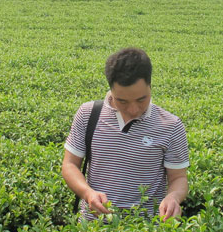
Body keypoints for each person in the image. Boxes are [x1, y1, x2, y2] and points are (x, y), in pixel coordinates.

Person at [62, 47, 189, 222]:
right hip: (93, 227)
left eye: (141, 99)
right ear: (111, 89)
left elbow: (178, 178)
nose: (133, 109)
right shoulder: (88, 114)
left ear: (150, 86)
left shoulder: (171, 126)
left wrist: (173, 197)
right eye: (122, 101)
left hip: (147, 230)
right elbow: (70, 165)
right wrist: (87, 193)